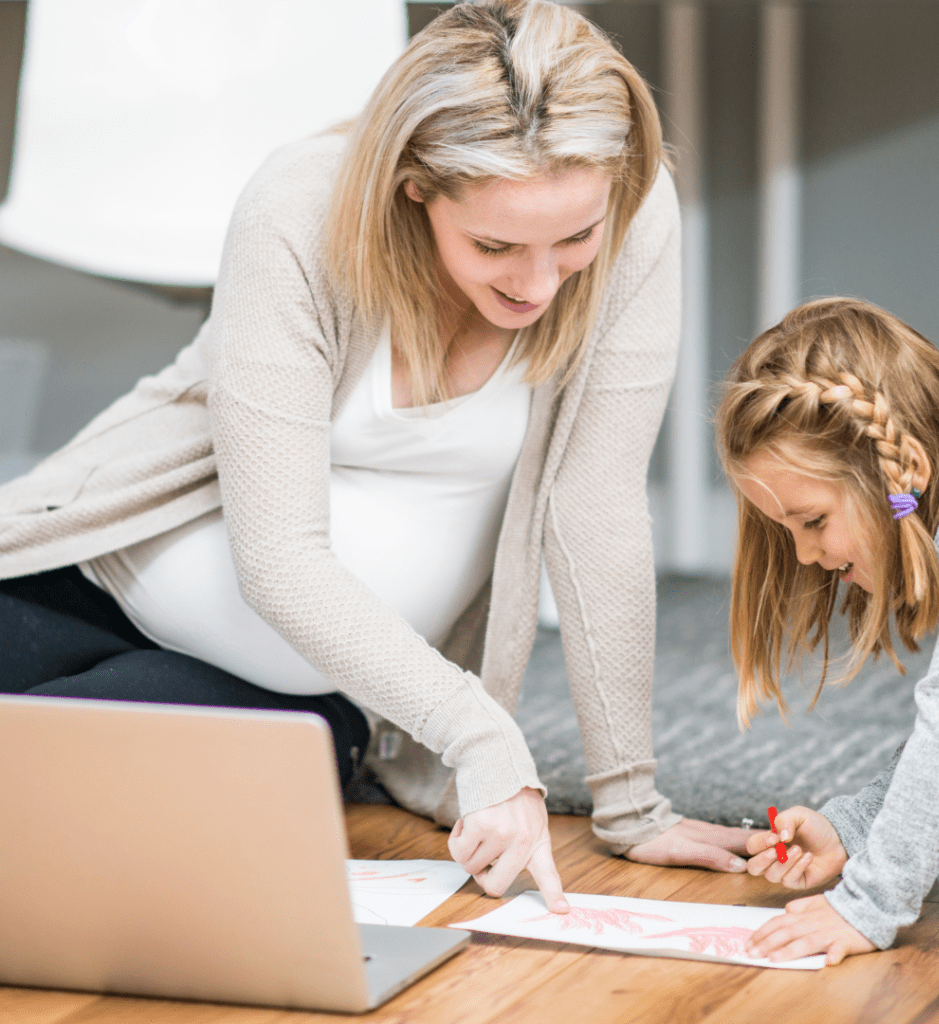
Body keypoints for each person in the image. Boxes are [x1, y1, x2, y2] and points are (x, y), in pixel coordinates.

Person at [0, 0, 750, 911]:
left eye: (574, 243)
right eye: (495, 245)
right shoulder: (301, 209)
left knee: (47, 784)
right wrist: (481, 733)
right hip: (97, 576)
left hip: (313, 691)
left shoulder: (633, 212)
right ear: (413, 185)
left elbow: (594, 511)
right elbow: (276, 558)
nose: (539, 283)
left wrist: (631, 803)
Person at [713, 296, 939, 965]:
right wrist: (853, 827)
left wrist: (867, 905)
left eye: (814, 521)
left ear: (904, 470)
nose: (802, 556)